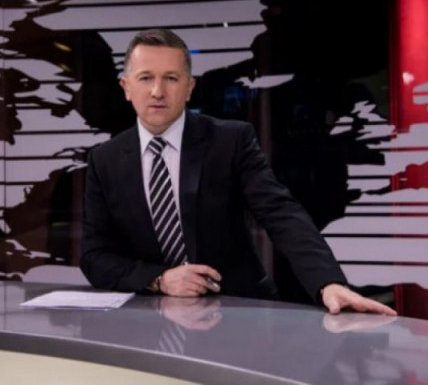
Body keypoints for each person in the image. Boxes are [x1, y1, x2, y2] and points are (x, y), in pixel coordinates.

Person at [80, 28, 396, 316]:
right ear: (126, 87)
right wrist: (159, 278)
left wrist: (328, 283)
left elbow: (281, 213)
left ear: (189, 87)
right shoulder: (104, 160)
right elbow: (95, 256)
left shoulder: (230, 140)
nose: (157, 91)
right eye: (146, 77)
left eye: (171, 78)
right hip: (147, 320)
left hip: (238, 311)